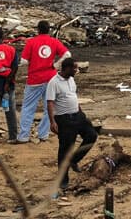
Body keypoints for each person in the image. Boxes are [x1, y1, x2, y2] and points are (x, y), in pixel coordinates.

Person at [47, 57, 98, 196]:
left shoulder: (71, 79)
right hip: (64, 119)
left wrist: (80, 111)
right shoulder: (54, 83)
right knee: (65, 149)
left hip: (77, 115)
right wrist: (52, 122)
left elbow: (73, 96)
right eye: (74, 68)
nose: (76, 70)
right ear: (67, 68)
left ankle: (74, 160)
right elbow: (50, 102)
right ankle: (63, 179)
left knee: (91, 135)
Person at [17, 20, 70, 143]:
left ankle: (24, 135)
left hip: (35, 79)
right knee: (49, 107)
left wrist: (33, 62)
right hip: (50, 78)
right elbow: (67, 54)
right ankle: (43, 133)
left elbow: (24, 61)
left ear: (38, 29)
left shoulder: (31, 42)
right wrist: (56, 65)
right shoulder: (54, 42)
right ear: (49, 30)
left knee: (28, 108)